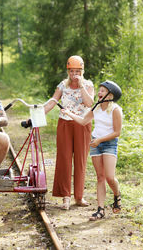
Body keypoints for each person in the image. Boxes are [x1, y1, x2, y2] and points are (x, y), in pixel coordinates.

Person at [61, 80, 123, 220]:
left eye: (102, 90)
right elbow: (83, 121)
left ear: (110, 95)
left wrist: (100, 140)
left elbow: (117, 132)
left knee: (109, 177)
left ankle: (117, 194)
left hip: (109, 143)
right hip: (96, 143)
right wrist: (68, 113)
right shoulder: (96, 108)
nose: (99, 93)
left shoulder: (115, 110)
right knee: (100, 177)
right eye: (99, 90)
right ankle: (100, 210)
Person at [44, 55, 95, 210]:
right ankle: (66, 196)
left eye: (77, 71)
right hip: (65, 124)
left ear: (82, 71)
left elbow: (89, 103)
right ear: (68, 71)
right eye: (72, 71)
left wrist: (81, 86)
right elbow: (53, 101)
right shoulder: (62, 85)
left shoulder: (88, 84)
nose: (74, 74)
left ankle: (79, 197)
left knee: (80, 160)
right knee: (64, 159)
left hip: (82, 124)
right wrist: (37, 116)